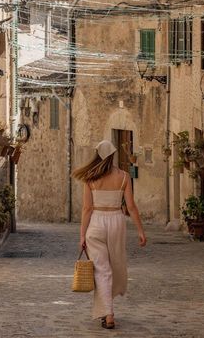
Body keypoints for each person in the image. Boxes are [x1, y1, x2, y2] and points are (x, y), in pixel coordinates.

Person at [73, 140, 147, 330]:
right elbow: (131, 206)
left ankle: (108, 314)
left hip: (96, 221)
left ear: (97, 155)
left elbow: (87, 208)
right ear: (113, 155)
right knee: (115, 265)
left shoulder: (90, 178)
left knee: (102, 270)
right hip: (116, 221)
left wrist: (82, 235)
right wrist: (140, 230)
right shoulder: (123, 177)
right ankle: (108, 311)